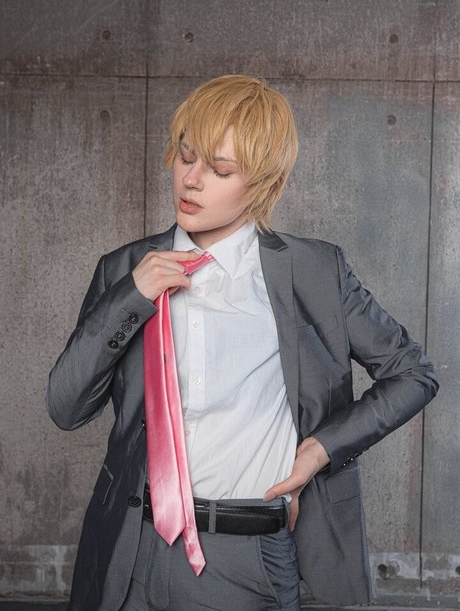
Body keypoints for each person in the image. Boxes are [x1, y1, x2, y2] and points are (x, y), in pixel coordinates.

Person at [47, 75, 438, 611]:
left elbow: (413, 373)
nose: (191, 180)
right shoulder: (124, 269)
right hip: (131, 553)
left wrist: (320, 450)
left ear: (260, 183)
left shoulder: (315, 271)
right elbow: (66, 408)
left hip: (248, 559)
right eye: (186, 157)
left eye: (220, 169)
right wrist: (131, 296)